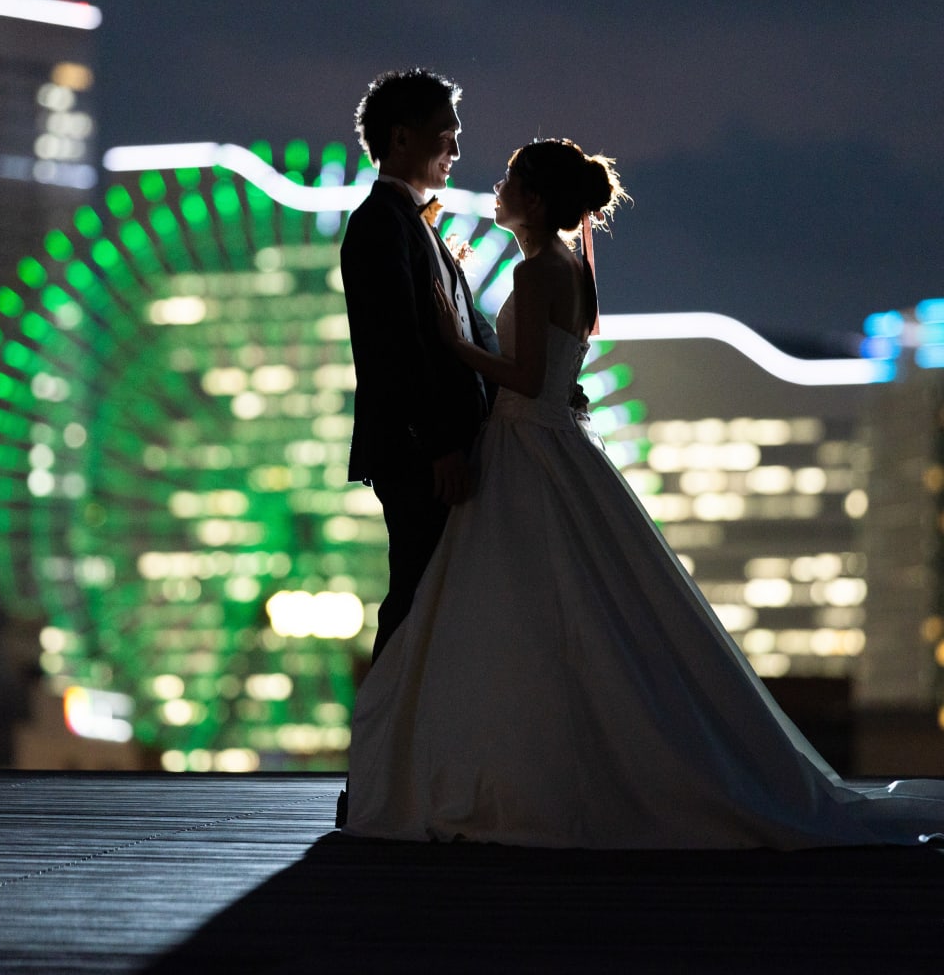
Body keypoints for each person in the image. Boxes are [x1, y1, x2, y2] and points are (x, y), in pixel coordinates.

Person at [343, 137, 944, 850]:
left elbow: (528, 378)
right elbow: (561, 374)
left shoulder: (538, 273)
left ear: (533, 200)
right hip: (554, 443)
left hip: (525, 448)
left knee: (512, 609)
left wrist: (451, 339)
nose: (496, 189)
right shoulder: (569, 268)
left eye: (509, 180)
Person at [340, 68, 499, 666]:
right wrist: (438, 445)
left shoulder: (413, 222)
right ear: (401, 138)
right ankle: (384, 738)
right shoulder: (381, 223)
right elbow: (395, 346)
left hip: (438, 450)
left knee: (433, 597)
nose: (456, 149)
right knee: (417, 596)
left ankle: (405, 741)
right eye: (446, 133)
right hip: (421, 457)